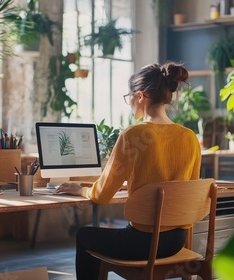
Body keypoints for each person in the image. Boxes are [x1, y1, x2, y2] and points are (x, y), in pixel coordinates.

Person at [55, 61, 202, 280]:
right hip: (176, 242)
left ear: (141, 96)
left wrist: (80, 190)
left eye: (129, 97)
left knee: (84, 235)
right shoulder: (189, 137)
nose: (129, 103)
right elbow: (185, 191)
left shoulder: (133, 135)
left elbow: (102, 195)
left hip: (142, 243)